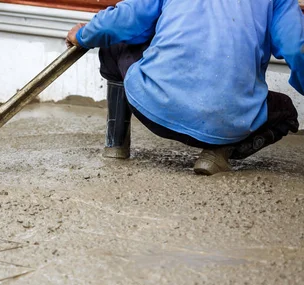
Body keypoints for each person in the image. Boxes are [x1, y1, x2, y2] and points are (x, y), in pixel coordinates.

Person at [66, 0, 304, 175]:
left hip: (152, 107)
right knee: (286, 113)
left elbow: (124, 21)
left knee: (115, 42)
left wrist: (83, 35)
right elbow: (297, 49)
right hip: (229, 124)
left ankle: (115, 145)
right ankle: (219, 152)